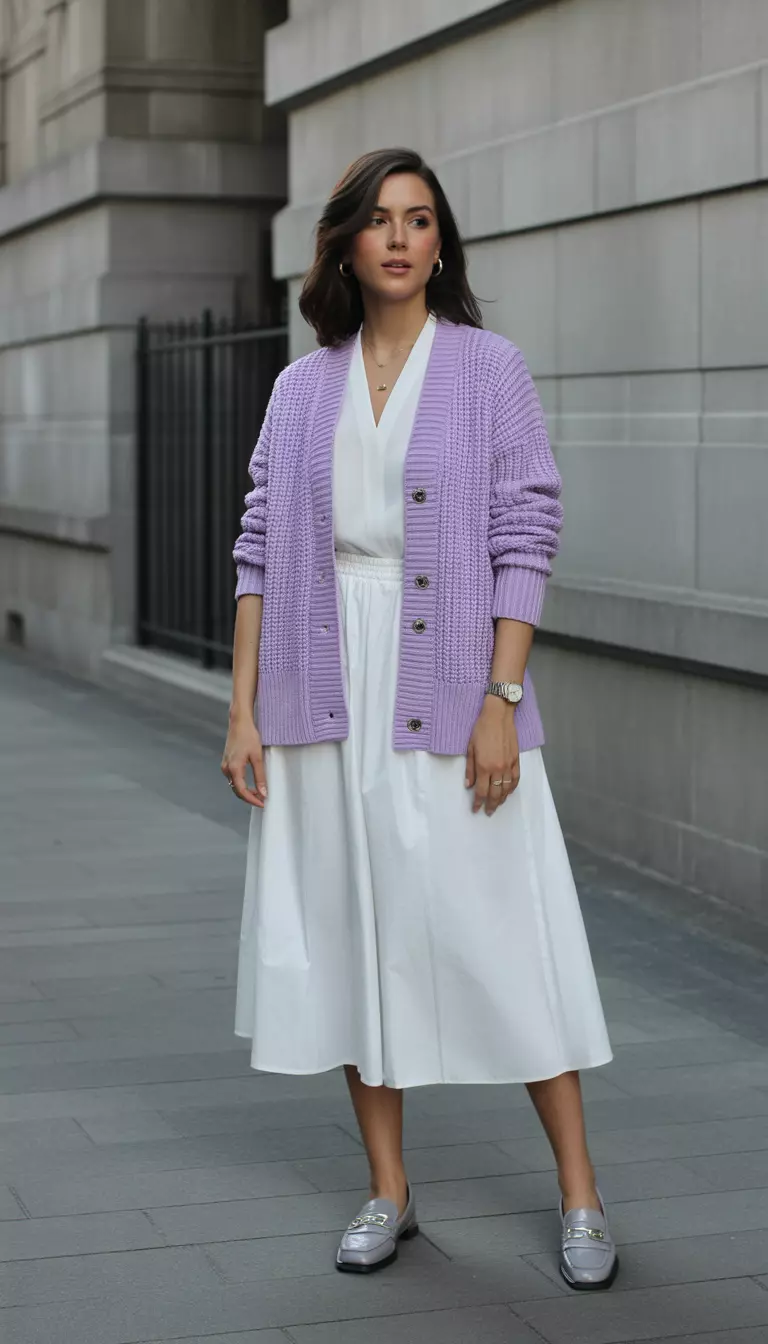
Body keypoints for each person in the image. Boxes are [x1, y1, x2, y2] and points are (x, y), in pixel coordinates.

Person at [222, 147, 618, 1291]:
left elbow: (525, 533)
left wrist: (502, 699)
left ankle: (583, 1197)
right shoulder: (305, 387)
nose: (399, 238)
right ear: (345, 244)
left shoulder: (490, 369)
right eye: (378, 221)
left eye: (420, 220)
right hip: (322, 678)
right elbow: (256, 546)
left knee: (507, 930)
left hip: (451, 683)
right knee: (352, 929)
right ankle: (388, 1190)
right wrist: (245, 709)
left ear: (441, 244)